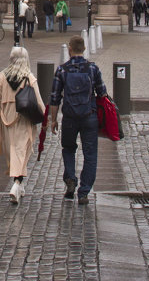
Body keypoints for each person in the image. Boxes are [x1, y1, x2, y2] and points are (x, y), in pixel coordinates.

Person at [0, 46, 46, 205]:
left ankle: (20, 185)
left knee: (13, 151)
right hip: (24, 119)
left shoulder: (2, 77)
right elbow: (38, 101)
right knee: (21, 151)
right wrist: (46, 119)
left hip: (7, 118)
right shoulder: (29, 77)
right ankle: (17, 184)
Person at [50, 35, 106, 205]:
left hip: (69, 117)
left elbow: (54, 98)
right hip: (89, 116)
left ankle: (70, 179)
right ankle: (84, 192)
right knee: (90, 154)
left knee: (68, 149)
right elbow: (102, 93)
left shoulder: (62, 70)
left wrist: (53, 120)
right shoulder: (93, 69)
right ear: (84, 49)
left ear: (70, 48)